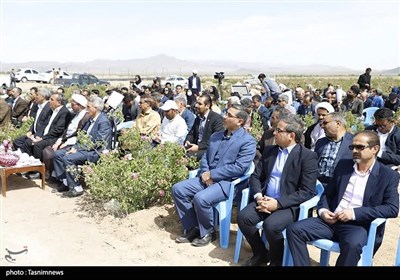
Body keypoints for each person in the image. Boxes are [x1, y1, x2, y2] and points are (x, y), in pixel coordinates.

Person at [286, 130, 399, 266]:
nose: (355, 150)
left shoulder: (387, 175)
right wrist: (323, 211)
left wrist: (354, 213)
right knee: (294, 230)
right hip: (331, 220)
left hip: (357, 225)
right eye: (352, 147)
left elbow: (392, 209)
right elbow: (328, 194)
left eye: (360, 147)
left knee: (353, 245)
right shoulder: (343, 165)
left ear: (375, 149)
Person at [237, 114, 318, 266]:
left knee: (271, 226)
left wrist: (278, 203)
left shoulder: (307, 157)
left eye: (278, 130)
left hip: (288, 205)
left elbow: (307, 191)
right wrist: (259, 196)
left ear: (291, 135)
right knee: (243, 218)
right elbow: (255, 177)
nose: (274, 133)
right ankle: (261, 254)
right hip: (265, 199)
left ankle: (277, 260)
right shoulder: (270, 151)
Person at [172, 104, 256, 247]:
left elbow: (240, 168)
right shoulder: (216, 136)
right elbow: (206, 157)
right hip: (206, 178)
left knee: (201, 198)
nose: (224, 116)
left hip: (227, 183)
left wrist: (213, 174)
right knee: (178, 189)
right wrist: (205, 173)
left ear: (240, 121)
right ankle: (193, 227)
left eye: (229, 115)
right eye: (225, 113)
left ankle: (209, 232)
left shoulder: (248, 141)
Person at [53, 96, 111, 197]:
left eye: (88, 107)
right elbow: (81, 136)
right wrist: (74, 147)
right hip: (84, 148)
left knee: (68, 158)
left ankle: (76, 187)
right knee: (58, 154)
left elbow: (99, 142)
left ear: (96, 108)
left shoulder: (103, 121)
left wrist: (78, 149)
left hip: (95, 152)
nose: (87, 109)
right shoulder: (90, 119)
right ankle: (66, 182)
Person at [315, 112, 354, 187]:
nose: (322, 126)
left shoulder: (353, 142)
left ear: (338, 124)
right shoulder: (320, 142)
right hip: (318, 184)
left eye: (325, 123)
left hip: (339, 186)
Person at [185, 95, 224, 161]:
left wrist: (199, 147)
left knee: (186, 158)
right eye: (196, 103)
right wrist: (188, 141)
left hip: (207, 150)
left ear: (207, 106)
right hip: (195, 146)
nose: (196, 106)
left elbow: (216, 140)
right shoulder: (198, 118)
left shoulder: (216, 119)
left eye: (200, 104)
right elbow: (192, 133)